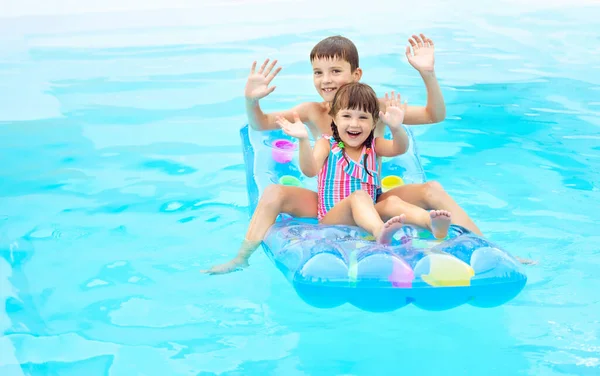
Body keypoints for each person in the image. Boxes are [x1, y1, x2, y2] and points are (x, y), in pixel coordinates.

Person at [202, 34, 482, 275]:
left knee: (431, 189)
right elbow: (260, 123)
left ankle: (481, 244)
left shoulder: (377, 107)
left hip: (374, 198)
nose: (326, 80)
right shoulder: (313, 111)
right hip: (330, 203)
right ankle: (242, 257)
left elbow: (434, 115)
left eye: (336, 71)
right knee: (274, 194)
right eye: (318, 72)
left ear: (356, 74)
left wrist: (427, 74)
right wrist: (251, 100)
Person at [277, 83, 453, 244]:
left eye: (363, 117)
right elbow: (310, 170)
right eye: (346, 116)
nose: (354, 124)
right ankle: (379, 232)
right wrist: (303, 141)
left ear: (374, 122)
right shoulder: (327, 144)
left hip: (368, 215)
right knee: (359, 196)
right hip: (333, 219)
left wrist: (396, 128)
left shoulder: (373, 146)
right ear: (335, 119)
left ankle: (430, 222)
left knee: (392, 202)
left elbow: (399, 148)